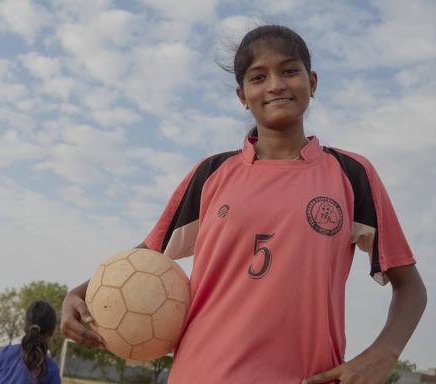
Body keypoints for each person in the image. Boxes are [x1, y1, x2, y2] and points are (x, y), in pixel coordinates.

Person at [60, 25, 427, 383]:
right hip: (202, 373)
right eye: (258, 77)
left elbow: (410, 287)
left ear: (312, 82)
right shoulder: (211, 174)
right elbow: (144, 259)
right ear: (242, 95)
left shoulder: (351, 174)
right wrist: (78, 294)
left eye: (289, 71)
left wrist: (384, 353)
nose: (276, 85)